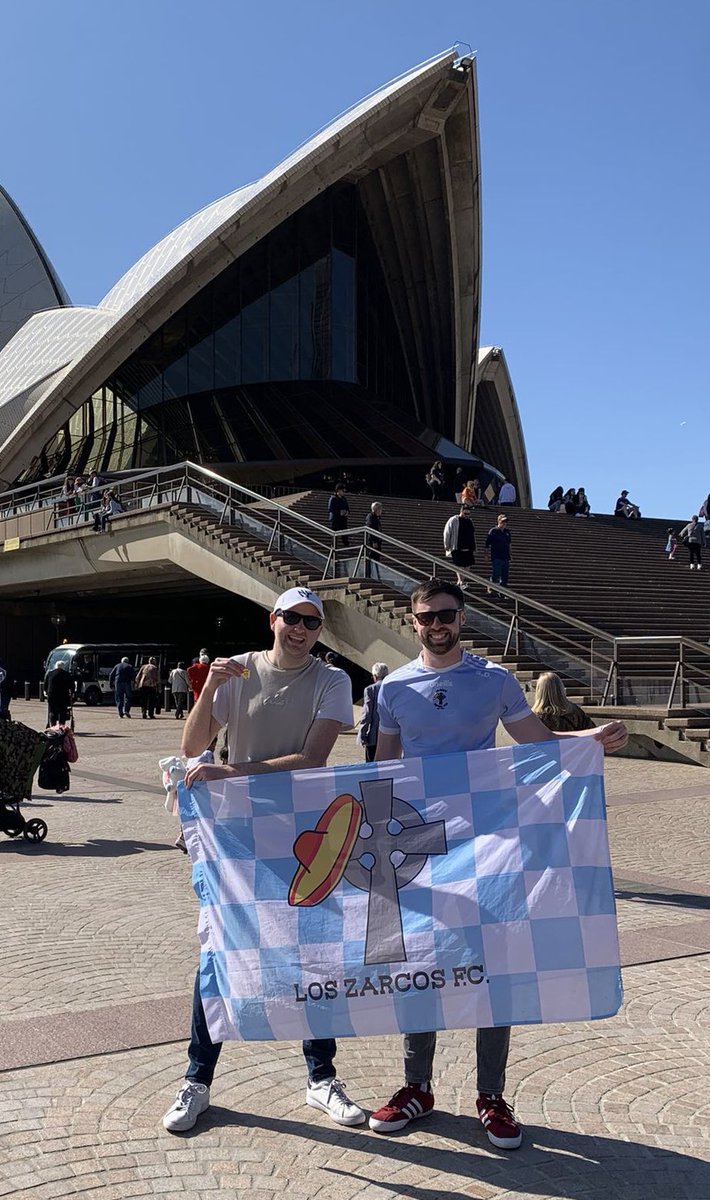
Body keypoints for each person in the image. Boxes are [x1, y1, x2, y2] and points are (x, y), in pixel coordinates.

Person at [368, 579, 627, 1147]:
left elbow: (534, 740)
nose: (437, 624)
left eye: (446, 615)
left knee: (494, 960)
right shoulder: (393, 689)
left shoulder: (493, 680)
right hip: (417, 843)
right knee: (421, 961)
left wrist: (590, 737)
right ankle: (417, 1087)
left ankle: (491, 1095)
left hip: (486, 839)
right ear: (413, 623)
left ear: (462, 618)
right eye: (426, 617)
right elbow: (384, 771)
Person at [162, 587, 361, 1135]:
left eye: (312, 623)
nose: (300, 630)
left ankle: (321, 1077)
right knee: (217, 952)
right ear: (272, 620)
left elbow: (313, 757)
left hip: (304, 830)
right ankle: (197, 1080)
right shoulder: (242, 671)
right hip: (238, 836)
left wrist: (232, 772)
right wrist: (209, 690)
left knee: (312, 951)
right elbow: (193, 745)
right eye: (291, 619)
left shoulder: (332, 680)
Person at [357, 662, 388, 761]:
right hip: (391, 736)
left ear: (374, 676)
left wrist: (362, 734)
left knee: (372, 766)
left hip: (374, 735)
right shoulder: (394, 688)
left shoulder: (371, 689)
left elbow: (367, 713)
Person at [443, 506, 476, 585]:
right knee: (459, 564)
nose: (467, 515)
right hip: (457, 546)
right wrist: (446, 545)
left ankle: (461, 581)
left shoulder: (469, 521)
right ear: (461, 512)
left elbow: (472, 534)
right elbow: (447, 532)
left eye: (468, 514)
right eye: (465, 513)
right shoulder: (454, 520)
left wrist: (474, 546)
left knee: (468, 565)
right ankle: (461, 581)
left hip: (468, 547)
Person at [44, 660, 74, 727]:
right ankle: (61, 726)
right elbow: (72, 685)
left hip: (52, 695)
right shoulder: (66, 674)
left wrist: (46, 692)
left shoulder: (50, 673)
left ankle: (53, 725)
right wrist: (72, 692)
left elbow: (45, 685)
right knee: (62, 711)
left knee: (52, 711)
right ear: (63, 667)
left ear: (56, 666)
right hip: (63, 696)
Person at [485, 513, 512, 588]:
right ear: (498, 521)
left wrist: (510, 554)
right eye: (503, 521)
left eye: (505, 522)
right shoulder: (493, 531)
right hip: (496, 556)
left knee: (505, 576)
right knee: (496, 573)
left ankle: (503, 592)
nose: (504, 523)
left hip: (506, 556)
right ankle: (491, 583)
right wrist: (486, 555)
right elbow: (487, 544)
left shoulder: (507, 532)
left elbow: (509, 543)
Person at [365, 501, 383, 578]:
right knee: (371, 558)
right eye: (380, 509)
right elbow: (370, 529)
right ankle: (369, 575)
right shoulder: (370, 517)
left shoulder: (376, 518)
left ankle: (376, 575)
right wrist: (374, 541)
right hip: (372, 542)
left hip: (377, 542)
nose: (381, 511)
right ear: (376, 509)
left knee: (376, 559)